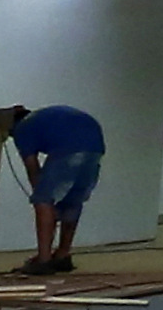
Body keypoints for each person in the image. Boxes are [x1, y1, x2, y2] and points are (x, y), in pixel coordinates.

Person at [11, 100, 106, 276]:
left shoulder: (21, 129)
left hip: (70, 149)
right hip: (95, 146)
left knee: (43, 200)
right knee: (72, 200)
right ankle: (62, 256)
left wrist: (41, 198)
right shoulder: (41, 118)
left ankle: (43, 261)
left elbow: (32, 167)